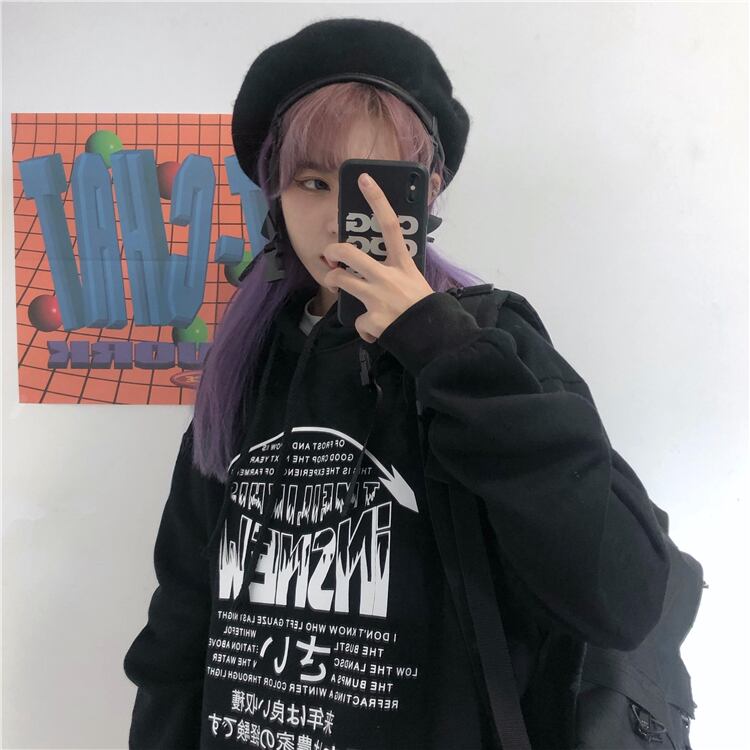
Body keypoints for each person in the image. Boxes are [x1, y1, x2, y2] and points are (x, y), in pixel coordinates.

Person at [123, 17, 670, 750]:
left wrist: (438, 347)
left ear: (427, 192)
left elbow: (622, 596)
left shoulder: (490, 345)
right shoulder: (246, 362)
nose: (338, 220)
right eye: (311, 182)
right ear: (275, 194)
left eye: (372, 186)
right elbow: (183, 619)